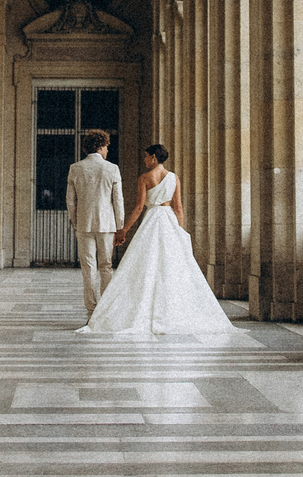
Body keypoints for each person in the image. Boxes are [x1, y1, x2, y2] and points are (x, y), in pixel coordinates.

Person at [76, 143, 237, 340]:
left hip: (152, 220)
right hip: (169, 221)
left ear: (153, 157)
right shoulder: (174, 178)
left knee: (146, 264)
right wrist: (180, 230)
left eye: (146, 156)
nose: (144, 160)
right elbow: (178, 207)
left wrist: (124, 230)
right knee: (171, 267)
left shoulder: (145, 178)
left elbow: (139, 207)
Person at [66, 128, 124, 312]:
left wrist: (75, 221)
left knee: (88, 267)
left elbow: (70, 201)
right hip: (107, 224)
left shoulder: (75, 168)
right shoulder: (112, 168)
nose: (107, 150)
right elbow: (118, 200)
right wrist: (120, 226)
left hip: (84, 223)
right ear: (100, 146)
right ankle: (104, 310)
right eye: (106, 146)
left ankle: (91, 310)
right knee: (106, 266)